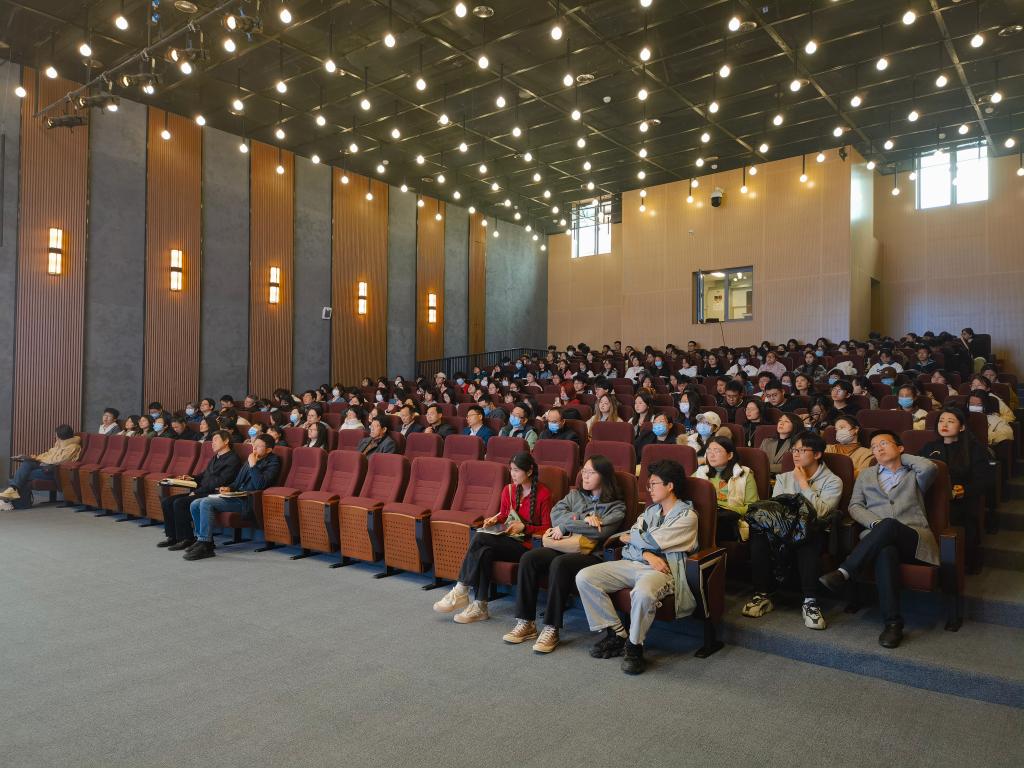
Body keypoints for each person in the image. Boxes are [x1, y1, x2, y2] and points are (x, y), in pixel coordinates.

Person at [575, 459, 698, 675]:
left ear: (670, 486)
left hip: (664, 570)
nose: (649, 489)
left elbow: (648, 540)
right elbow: (628, 544)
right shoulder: (649, 512)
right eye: (648, 485)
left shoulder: (687, 516)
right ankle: (617, 633)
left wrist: (636, 540)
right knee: (585, 577)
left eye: (654, 484)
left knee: (642, 592)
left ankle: (634, 646)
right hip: (636, 562)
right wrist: (646, 554)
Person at [819, 431, 937, 648]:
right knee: (885, 550)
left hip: (913, 538)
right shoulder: (866, 475)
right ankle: (893, 624)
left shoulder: (914, 473)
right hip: (879, 538)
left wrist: (901, 457)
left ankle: (845, 572)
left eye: (884, 444)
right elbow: (855, 506)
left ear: (900, 447)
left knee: (890, 525)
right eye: (874, 446)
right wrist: (875, 524)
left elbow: (930, 467)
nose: (878, 449)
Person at [503, 456, 627, 652]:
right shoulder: (575, 495)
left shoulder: (616, 506)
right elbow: (555, 515)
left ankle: (552, 627)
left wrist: (566, 524)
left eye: (591, 472)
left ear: (604, 476)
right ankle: (526, 622)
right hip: (563, 546)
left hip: (591, 555)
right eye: (584, 471)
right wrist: (584, 519)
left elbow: (599, 532)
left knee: (560, 564)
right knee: (529, 558)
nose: (585, 476)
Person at [433, 453, 552, 623]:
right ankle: (480, 606)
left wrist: (525, 528)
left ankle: (461, 589)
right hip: (508, 540)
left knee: (480, 537)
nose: (512, 474)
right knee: (485, 552)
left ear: (529, 471)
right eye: (511, 470)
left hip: (527, 547)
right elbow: (504, 515)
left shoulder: (544, 493)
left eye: (516, 470)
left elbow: (547, 528)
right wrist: (494, 520)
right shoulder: (508, 490)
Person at [743, 432, 843, 630]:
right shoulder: (784, 477)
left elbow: (821, 512)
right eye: (794, 450)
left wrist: (803, 483)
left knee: (809, 534)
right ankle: (763, 594)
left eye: (802, 450)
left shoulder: (833, 481)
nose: (795, 454)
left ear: (817, 454)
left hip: (814, 531)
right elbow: (776, 509)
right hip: (785, 528)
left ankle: (810, 601)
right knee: (759, 532)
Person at [184, 434, 282, 561]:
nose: (254, 448)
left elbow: (260, 484)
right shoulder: (251, 458)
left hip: (248, 501)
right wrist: (229, 488)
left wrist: (253, 466)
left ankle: (205, 545)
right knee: (195, 503)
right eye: (254, 445)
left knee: (206, 503)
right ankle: (202, 540)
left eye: (259, 446)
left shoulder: (273, 462)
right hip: (236, 496)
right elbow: (237, 482)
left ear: (268, 450)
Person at [922, 408, 993, 573]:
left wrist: (965, 490)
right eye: (941, 421)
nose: (944, 425)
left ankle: (954, 565)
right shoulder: (929, 447)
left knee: (956, 515)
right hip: (932, 497)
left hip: (961, 499)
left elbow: (985, 480)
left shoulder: (974, 449)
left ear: (961, 427)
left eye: (950, 421)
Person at [156, 429, 242, 550]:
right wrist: (192, 478)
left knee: (180, 503)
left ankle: (187, 538)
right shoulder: (216, 457)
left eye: (216, 440)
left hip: (214, 494)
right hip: (203, 490)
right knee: (167, 501)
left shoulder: (233, 459)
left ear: (226, 441)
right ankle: (172, 537)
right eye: (212, 441)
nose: (212, 443)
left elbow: (220, 481)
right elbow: (205, 475)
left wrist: (196, 492)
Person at [692, 436, 758, 542]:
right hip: (703, 517)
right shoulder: (700, 473)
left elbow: (753, 507)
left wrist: (726, 509)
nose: (711, 455)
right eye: (709, 451)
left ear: (730, 455)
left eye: (717, 451)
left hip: (731, 521)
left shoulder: (744, 475)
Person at [1, 425, 81, 509]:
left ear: (59, 436)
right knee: (27, 463)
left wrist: (42, 462)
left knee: (23, 475)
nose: (55, 437)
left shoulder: (73, 447)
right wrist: (30, 457)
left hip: (55, 471)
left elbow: (59, 461)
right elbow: (47, 455)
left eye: (56, 435)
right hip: (46, 467)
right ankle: (13, 490)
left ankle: (17, 499)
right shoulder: (59, 445)